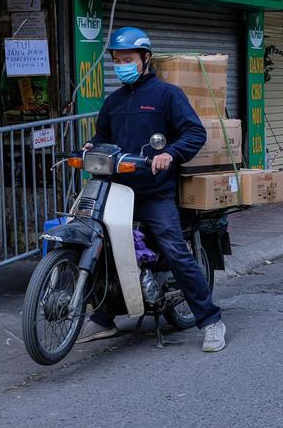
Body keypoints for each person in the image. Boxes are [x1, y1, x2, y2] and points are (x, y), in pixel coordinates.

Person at [77, 27, 226, 351]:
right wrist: (92, 145)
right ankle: (104, 317)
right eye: (117, 60)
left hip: (154, 192)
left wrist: (170, 153)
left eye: (127, 59)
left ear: (145, 58)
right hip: (115, 191)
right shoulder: (113, 101)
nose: (121, 66)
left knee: (174, 251)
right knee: (100, 246)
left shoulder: (167, 95)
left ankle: (211, 320)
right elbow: (104, 136)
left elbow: (194, 133)